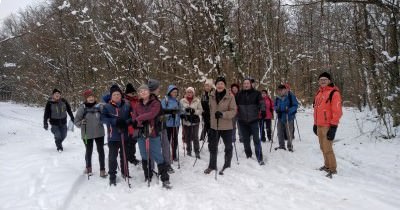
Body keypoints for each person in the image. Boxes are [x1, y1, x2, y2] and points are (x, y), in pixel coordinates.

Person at [132, 83, 171, 188]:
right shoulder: (137, 105)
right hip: (141, 133)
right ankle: (147, 175)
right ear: (139, 94)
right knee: (144, 155)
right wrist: (139, 122)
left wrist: (139, 119)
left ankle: (164, 177)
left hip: (152, 132)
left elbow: (152, 114)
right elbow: (134, 117)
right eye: (140, 91)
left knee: (157, 154)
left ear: (149, 92)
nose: (143, 92)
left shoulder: (155, 103)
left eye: (145, 90)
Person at [204, 76, 237, 174]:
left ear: (224, 85)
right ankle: (212, 165)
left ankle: (227, 165)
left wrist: (223, 114)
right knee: (213, 146)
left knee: (228, 147)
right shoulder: (211, 96)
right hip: (214, 126)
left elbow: (233, 111)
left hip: (226, 126)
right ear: (216, 85)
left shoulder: (230, 96)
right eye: (218, 84)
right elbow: (210, 109)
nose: (220, 85)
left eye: (222, 84)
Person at [101, 84, 132, 186]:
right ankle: (112, 176)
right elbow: (102, 119)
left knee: (124, 155)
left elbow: (132, 117)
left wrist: (126, 122)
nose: (117, 96)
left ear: (121, 95)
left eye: (118, 94)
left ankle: (125, 172)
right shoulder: (107, 106)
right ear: (111, 96)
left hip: (125, 135)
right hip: (113, 137)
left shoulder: (127, 105)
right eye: (114, 94)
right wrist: (115, 121)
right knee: (112, 157)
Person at [313, 72, 342, 178]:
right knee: (322, 147)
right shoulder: (319, 93)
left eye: (325, 79)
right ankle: (327, 165)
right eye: (321, 80)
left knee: (328, 148)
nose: (323, 81)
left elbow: (337, 111)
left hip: (328, 125)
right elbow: (316, 109)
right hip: (319, 125)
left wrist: (333, 127)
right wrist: (315, 124)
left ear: (329, 81)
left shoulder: (334, 93)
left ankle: (333, 169)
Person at [74, 89, 107, 178]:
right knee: (89, 151)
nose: (91, 98)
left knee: (101, 151)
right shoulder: (82, 108)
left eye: (92, 96)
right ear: (86, 98)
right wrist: (81, 122)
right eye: (89, 97)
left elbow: (106, 115)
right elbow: (76, 121)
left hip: (99, 132)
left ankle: (102, 170)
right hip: (86, 133)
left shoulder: (99, 106)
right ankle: (88, 168)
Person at [235, 78, 265, 165]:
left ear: (251, 84)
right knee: (246, 140)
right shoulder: (239, 94)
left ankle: (259, 157)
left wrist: (263, 110)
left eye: (247, 83)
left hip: (254, 120)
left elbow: (262, 103)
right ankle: (248, 155)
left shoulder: (257, 93)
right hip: (242, 120)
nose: (246, 85)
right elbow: (234, 104)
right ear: (243, 85)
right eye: (244, 83)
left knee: (256, 140)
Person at [161, 85, 181, 170]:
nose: (175, 93)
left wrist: (182, 114)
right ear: (169, 92)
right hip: (168, 124)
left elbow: (180, 111)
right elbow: (162, 112)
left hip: (175, 124)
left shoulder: (177, 101)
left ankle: (174, 155)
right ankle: (167, 156)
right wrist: (170, 114)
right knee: (167, 141)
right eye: (173, 92)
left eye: (176, 92)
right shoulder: (165, 100)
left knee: (175, 140)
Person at [274, 84, 298, 152]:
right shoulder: (277, 97)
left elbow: (295, 105)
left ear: (285, 90)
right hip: (280, 117)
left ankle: (290, 146)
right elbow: (274, 105)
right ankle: (281, 146)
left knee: (289, 132)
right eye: (279, 90)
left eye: (281, 90)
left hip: (289, 117)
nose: (280, 91)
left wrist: (289, 110)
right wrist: (276, 109)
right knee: (279, 132)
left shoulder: (291, 96)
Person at [180, 87, 203, 158]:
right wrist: (184, 112)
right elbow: (180, 110)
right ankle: (188, 150)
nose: (189, 93)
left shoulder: (197, 100)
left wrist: (194, 111)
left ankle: (197, 151)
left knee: (195, 136)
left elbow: (201, 110)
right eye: (188, 92)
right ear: (186, 93)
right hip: (186, 121)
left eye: (191, 92)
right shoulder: (182, 101)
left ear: (193, 93)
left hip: (195, 121)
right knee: (187, 136)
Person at [124, 83, 140, 165]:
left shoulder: (137, 100)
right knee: (130, 142)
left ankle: (131, 156)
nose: (132, 94)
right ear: (127, 93)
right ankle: (130, 157)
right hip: (130, 125)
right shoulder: (125, 101)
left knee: (134, 141)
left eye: (133, 92)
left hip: (137, 124)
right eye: (130, 93)